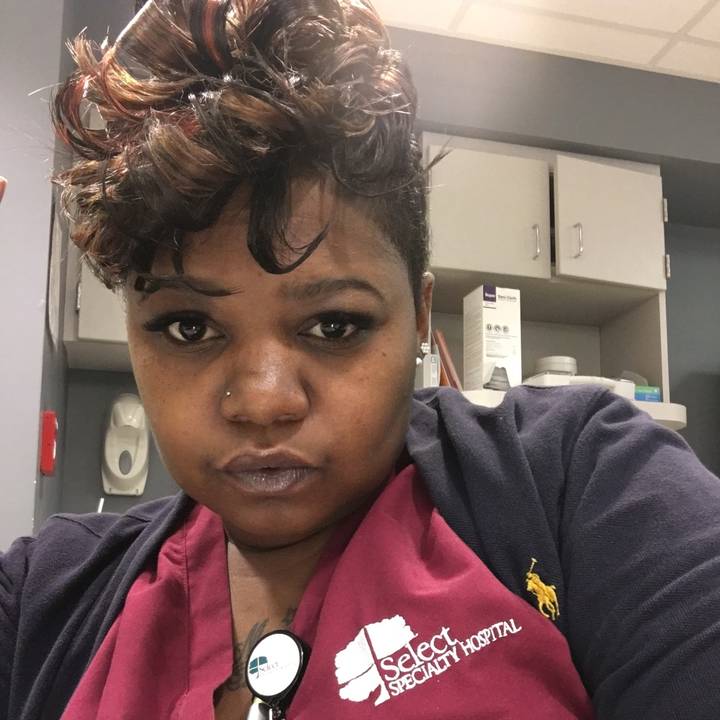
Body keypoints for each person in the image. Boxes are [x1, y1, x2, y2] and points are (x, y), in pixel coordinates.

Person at [2, 1, 720, 719]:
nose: (264, 401)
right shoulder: (45, 595)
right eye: (189, 328)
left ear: (418, 316)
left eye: (334, 324)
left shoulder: (579, 482)